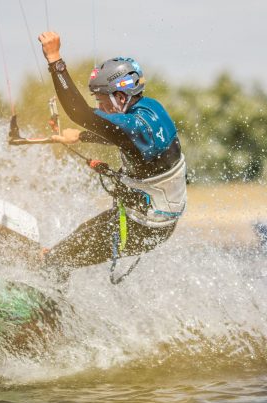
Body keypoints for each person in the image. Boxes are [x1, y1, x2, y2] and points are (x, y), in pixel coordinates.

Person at [36, 31, 187, 279]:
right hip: (146, 222)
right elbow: (126, 138)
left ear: (120, 97)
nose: (100, 107)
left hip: (143, 229)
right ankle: (55, 297)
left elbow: (79, 113)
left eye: (101, 99)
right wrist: (82, 136)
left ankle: (40, 307)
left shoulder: (132, 126)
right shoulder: (151, 109)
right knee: (67, 246)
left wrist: (54, 59)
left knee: (57, 260)